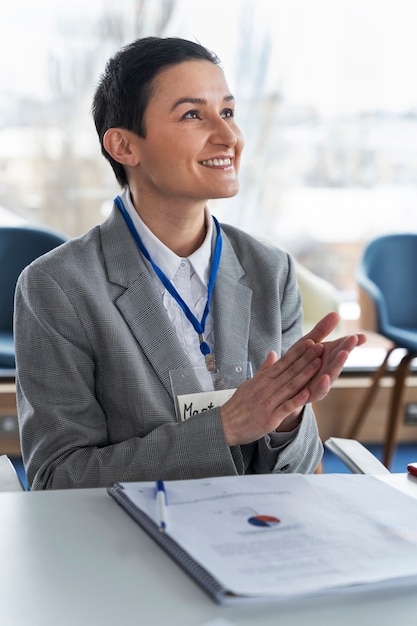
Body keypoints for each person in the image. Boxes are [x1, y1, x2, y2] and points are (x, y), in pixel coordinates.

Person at [14, 37, 366, 490]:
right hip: (125, 545)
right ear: (124, 146)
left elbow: (296, 474)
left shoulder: (269, 270)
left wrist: (286, 415)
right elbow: (58, 479)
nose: (228, 137)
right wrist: (225, 428)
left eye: (228, 112)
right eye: (193, 115)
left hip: (254, 538)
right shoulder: (58, 286)